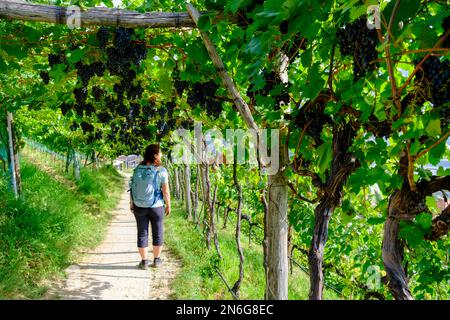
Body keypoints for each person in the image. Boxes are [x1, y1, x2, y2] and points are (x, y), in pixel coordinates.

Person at [129, 144, 171, 269]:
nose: (162, 154)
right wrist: (168, 204)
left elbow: (132, 187)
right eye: (160, 152)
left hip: (139, 205)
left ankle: (144, 262)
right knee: (157, 232)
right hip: (156, 206)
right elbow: (165, 190)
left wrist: (132, 202)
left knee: (142, 233)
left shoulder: (137, 168)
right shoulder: (161, 170)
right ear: (155, 155)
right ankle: (157, 260)